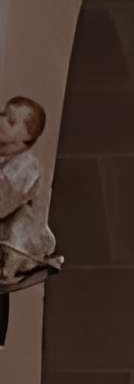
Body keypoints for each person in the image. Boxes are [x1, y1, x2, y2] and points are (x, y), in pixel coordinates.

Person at [0, 95, 61, 288]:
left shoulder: (26, 167)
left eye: (10, 121)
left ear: (27, 136)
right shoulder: (4, 158)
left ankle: (8, 270)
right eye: (2, 114)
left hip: (21, 241)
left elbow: (2, 204)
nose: (1, 121)